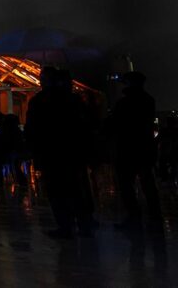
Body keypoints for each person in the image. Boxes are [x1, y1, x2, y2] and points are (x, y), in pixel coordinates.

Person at [27, 67, 95, 238]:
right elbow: (85, 125)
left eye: (42, 78)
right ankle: (84, 224)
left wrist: (35, 151)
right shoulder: (73, 100)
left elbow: (32, 129)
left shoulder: (39, 101)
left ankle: (65, 225)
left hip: (51, 153)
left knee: (56, 191)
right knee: (75, 189)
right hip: (72, 152)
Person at [110, 71, 163, 231]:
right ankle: (155, 216)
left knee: (127, 185)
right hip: (145, 148)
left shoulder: (124, 103)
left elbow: (115, 124)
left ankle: (134, 218)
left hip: (127, 149)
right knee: (148, 183)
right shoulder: (148, 100)